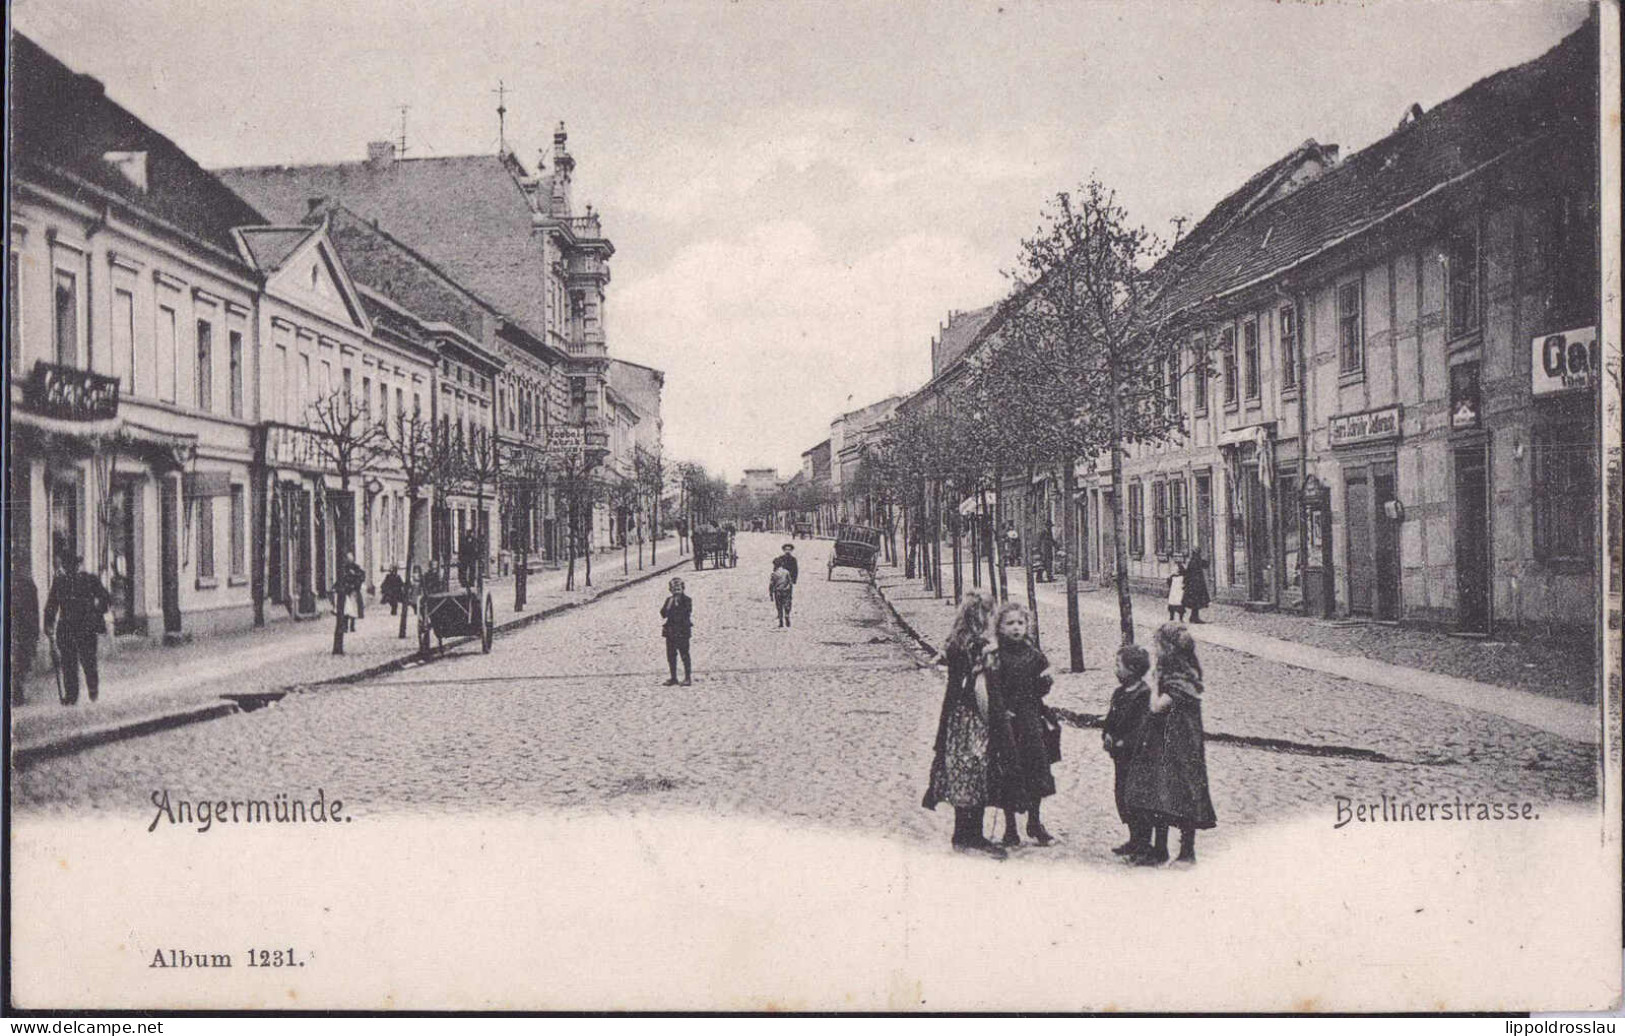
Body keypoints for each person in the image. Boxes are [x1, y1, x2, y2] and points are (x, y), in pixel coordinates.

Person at [922, 592, 1006, 859]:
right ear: (982, 616)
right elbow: (976, 685)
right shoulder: (974, 647)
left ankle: (967, 833)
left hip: (957, 717)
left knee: (964, 774)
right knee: (976, 771)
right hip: (971, 717)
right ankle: (967, 834)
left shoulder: (958, 644)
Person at [1125, 623, 1217, 866]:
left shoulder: (1181, 679)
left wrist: (1154, 685)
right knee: (1159, 792)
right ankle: (1160, 849)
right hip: (1165, 741)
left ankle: (1187, 852)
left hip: (1180, 745)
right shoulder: (1179, 673)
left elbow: (1157, 706)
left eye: (1158, 646)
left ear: (1168, 649)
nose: (1155, 651)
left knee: (1182, 793)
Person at [985, 602, 1057, 847]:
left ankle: (1035, 822)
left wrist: (1046, 682)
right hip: (1008, 723)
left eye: (1020, 623)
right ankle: (1010, 828)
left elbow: (1041, 686)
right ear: (1000, 627)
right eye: (1010, 623)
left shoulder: (1034, 654)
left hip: (1031, 719)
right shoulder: (996, 656)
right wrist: (1002, 710)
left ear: (1027, 626)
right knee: (1009, 771)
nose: (1016, 628)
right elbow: (992, 688)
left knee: (1036, 769)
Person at [1102, 643, 1154, 859]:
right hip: (1120, 758)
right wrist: (1107, 734)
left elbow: (1142, 728)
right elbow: (1111, 718)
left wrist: (1125, 742)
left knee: (1137, 799)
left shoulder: (1144, 695)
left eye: (1118, 665)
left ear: (1132, 669)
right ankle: (1133, 839)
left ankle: (1144, 843)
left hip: (1137, 758)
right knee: (1122, 797)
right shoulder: (1119, 693)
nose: (1115, 669)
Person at [42, 553, 111, 705]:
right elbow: (51, 606)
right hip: (67, 628)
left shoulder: (89, 579)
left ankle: (93, 692)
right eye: (67, 566)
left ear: (77, 566)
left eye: (73, 565)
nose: (70, 569)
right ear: (65, 567)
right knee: (68, 663)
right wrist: (49, 625)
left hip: (86, 627)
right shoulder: (59, 582)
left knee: (89, 661)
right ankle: (72, 696)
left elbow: (106, 597)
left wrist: (96, 612)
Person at [11, 571, 40, 705]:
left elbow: (33, 612)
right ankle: (16, 692)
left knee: (20, 662)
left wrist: (34, 634)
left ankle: (17, 692)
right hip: (20, 631)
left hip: (21, 631)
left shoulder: (27, 584)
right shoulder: (26, 583)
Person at [660, 577, 693, 686]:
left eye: (678, 588)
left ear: (683, 588)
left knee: (684, 654)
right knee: (671, 655)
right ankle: (673, 677)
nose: (676, 590)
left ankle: (687, 678)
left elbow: (686, 612)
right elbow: (663, 614)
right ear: (670, 590)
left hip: (682, 631)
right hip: (670, 632)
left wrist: (678, 604)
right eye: (674, 588)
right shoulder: (669, 600)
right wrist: (669, 605)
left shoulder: (687, 600)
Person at [336, 552, 366, 627]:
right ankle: (345, 625)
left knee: (353, 608)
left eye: (349, 559)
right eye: (347, 559)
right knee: (346, 608)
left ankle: (352, 625)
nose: (348, 560)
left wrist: (355, 576)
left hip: (354, 591)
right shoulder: (344, 568)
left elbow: (361, 577)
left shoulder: (357, 567)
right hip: (346, 591)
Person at [1182, 546, 1211, 624]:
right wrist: (1209, 556)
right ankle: (1194, 618)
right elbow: (1205, 565)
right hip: (1196, 586)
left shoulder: (1192, 561)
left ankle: (1193, 617)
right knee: (1196, 602)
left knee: (1195, 602)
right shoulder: (1196, 560)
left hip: (1192, 585)